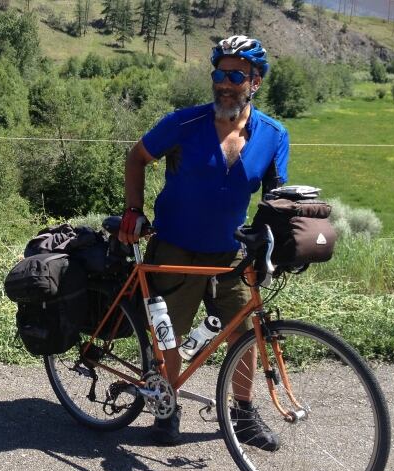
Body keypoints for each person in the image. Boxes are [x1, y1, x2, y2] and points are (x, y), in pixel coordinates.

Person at [118, 35, 290, 448]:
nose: (224, 83)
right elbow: (136, 157)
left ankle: (244, 415)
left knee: (245, 330)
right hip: (176, 247)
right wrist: (134, 211)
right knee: (170, 336)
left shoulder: (273, 135)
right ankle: (167, 408)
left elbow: (275, 197)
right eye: (219, 73)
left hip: (229, 252)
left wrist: (276, 242)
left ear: (256, 82)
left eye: (236, 75)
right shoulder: (184, 123)